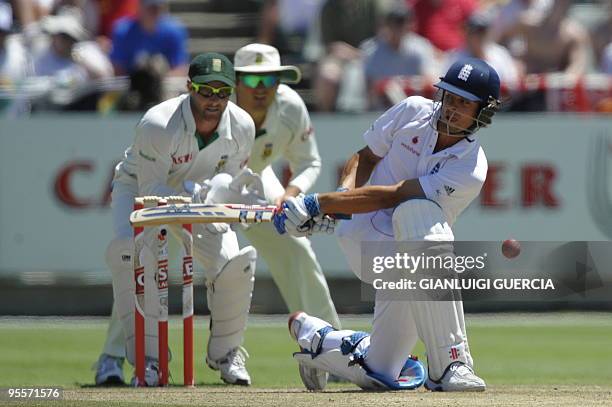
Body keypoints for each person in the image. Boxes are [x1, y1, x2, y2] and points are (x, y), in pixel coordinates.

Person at [273, 57, 501, 391]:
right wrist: (341, 195)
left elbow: (394, 195)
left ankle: (317, 340)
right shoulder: (412, 111)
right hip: (364, 238)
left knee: (379, 371)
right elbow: (364, 157)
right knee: (419, 213)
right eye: (449, 98)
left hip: (414, 258)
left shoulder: (470, 168)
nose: (451, 109)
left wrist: (317, 204)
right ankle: (451, 363)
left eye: (463, 103)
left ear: (483, 112)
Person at [95, 52, 258, 386]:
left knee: (234, 264)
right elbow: (153, 190)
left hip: (197, 199)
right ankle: (150, 361)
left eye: (223, 92)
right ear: (188, 87)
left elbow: (229, 178)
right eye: (206, 91)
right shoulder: (159, 123)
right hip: (141, 191)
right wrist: (196, 195)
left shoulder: (242, 126)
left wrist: (228, 195)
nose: (214, 100)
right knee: (136, 261)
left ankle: (226, 354)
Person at [232, 43, 341, 386]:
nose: (262, 88)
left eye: (270, 78)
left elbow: (309, 161)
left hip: (257, 176)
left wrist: (289, 195)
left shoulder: (290, 106)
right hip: (200, 182)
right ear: (235, 82)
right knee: (152, 257)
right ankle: (115, 357)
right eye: (252, 80)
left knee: (298, 248)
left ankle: (336, 352)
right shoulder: (219, 107)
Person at [109, 0, 188, 77]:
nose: (154, 12)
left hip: (165, 84)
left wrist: (156, 83)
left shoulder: (175, 31)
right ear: (140, 7)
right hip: (130, 84)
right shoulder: (123, 30)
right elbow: (117, 68)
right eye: (150, 8)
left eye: (157, 8)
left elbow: (180, 68)